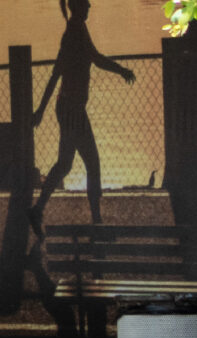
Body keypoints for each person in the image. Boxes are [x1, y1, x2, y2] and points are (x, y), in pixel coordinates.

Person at [30, 0, 136, 228]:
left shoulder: (72, 32)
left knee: (65, 164)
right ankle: (97, 220)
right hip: (73, 110)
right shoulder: (76, 31)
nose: (89, 7)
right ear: (77, 7)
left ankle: (38, 210)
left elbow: (55, 75)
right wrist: (121, 70)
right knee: (92, 163)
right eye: (86, 4)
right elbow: (96, 59)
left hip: (66, 106)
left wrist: (42, 109)